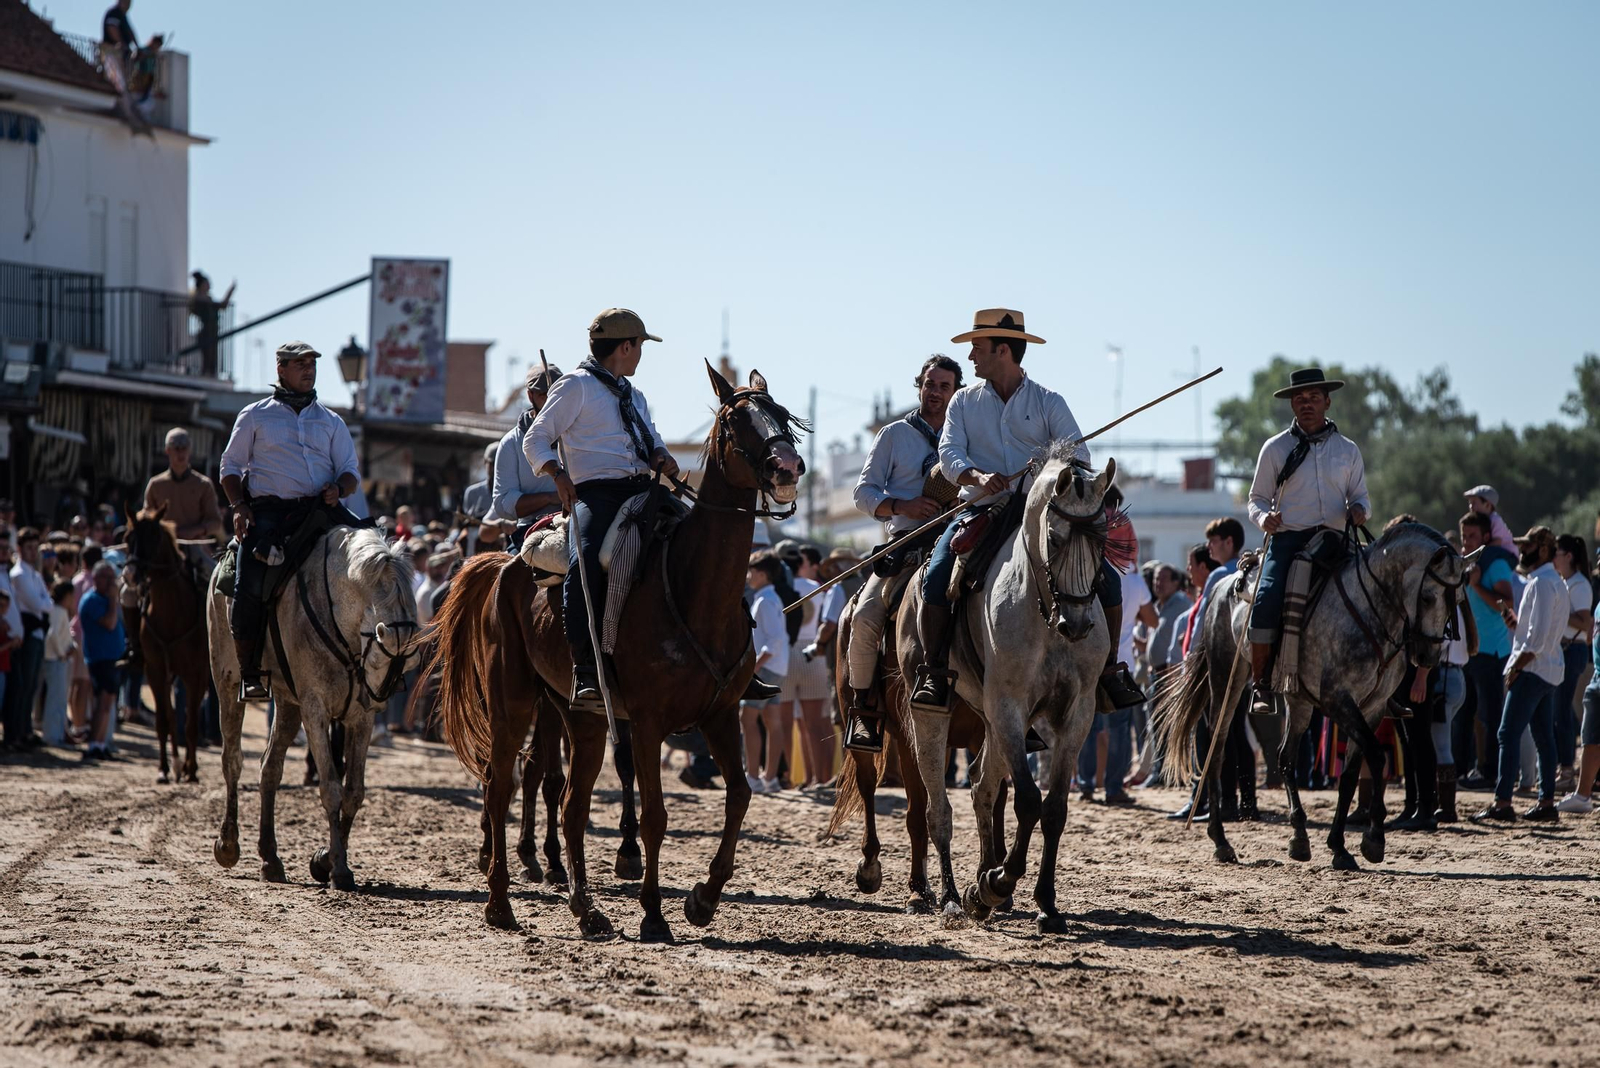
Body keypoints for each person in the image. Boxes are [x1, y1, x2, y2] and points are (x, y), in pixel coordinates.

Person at [913, 308, 1142, 714]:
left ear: (1003, 350)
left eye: (977, 348)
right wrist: (977, 476)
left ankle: (1108, 671)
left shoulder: (1049, 401)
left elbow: (1079, 455)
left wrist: (1049, 472)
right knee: (935, 578)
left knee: (1106, 578)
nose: (971, 358)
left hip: (1041, 517)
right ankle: (934, 672)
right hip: (982, 511)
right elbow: (948, 454)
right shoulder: (963, 403)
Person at [522, 308, 686, 707]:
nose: (641, 354)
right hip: (596, 494)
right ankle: (584, 669)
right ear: (625, 346)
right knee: (588, 558)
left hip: (644, 490)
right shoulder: (575, 386)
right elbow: (536, 439)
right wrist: (557, 474)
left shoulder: (636, 396)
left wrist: (662, 455)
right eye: (640, 346)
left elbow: (652, 440)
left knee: (701, 541)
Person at [219, 341, 362, 700]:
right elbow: (230, 468)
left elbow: (350, 472)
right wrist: (239, 506)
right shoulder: (254, 415)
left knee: (372, 558)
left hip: (320, 511)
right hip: (269, 515)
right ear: (281, 369)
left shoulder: (331, 421)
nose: (308, 370)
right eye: (299, 364)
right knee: (251, 583)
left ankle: (370, 667)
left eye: (312, 364)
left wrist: (338, 489)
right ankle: (250, 669)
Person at [845, 354, 962, 751]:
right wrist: (901, 506)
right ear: (920, 386)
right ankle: (863, 711)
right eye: (930, 385)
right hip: (906, 546)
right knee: (864, 618)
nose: (936, 393)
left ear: (955, 391)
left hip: (961, 540)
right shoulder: (894, 435)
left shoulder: (965, 436)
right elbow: (862, 493)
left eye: (945, 386)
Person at [1245, 368, 1370, 715]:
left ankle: (1386, 684)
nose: (1307, 404)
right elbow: (1255, 498)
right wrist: (1262, 518)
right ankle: (1262, 685)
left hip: (1336, 540)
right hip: (1288, 541)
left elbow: (1362, 497)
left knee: (1380, 592)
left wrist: (1359, 510)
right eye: (1300, 399)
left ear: (1327, 401)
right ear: (1292, 405)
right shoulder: (1275, 448)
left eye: (1314, 397)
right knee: (1266, 598)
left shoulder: (1348, 450)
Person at [1474, 527, 1566, 823]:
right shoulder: (1557, 582)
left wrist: (1516, 666)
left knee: (1507, 733)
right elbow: (1540, 634)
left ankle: (1503, 803)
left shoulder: (1539, 583)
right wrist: (1515, 625)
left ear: (1542, 549)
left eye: (1527, 547)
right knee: (1543, 738)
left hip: (1531, 669)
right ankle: (1547, 802)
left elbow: (1536, 640)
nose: (1521, 552)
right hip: (1549, 669)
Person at [1458, 511, 1517, 788]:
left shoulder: (1495, 567)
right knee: (1465, 713)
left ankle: (1490, 772)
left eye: (1472, 536)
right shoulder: (1465, 564)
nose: (1467, 542)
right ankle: (1466, 770)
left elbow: (1506, 603)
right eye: (1464, 537)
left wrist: (1477, 585)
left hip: (1491, 652)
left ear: (1484, 537)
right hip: (1467, 652)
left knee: (1489, 715)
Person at [488, 364, 563, 551]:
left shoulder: (579, 434)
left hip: (575, 523)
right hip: (530, 530)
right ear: (530, 396)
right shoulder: (511, 443)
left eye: (556, 393)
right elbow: (503, 504)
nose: (550, 401)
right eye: (543, 394)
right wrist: (550, 498)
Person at [741, 551, 793, 794]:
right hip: (776, 667)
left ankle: (753, 776)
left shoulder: (765, 600)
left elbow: (772, 641)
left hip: (767, 668)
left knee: (747, 719)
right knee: (772, 721)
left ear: (762, 574)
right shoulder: (769, 598)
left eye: (752, 571)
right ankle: (769, 778)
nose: (749, 576)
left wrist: (755, 666)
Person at [788, 547, 834, 788]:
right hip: (813, 651)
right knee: (814, 723)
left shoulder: (784, 587)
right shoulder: (817, 588)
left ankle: (816, 777)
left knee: (807, 724)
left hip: (794, 651)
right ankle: (817, 777)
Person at [1552, 535, 1593, 794]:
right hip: (1565, 650)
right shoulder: (1568, 582)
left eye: (1557, 552)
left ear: (1569, 556)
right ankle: (1565, 767)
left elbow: (1585, 623)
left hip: (1572, 650)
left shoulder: (1579, 585)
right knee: (1561, 711)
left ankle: (1566, 769)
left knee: (1561, 711)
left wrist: (1556, 612)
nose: (1553, 556)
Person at [79, 561, 126, 760]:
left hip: (113, 657)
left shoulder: (105, 599)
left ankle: (101, 742)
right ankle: (93, 745)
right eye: (107, 577)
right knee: (102, 701)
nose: (111, 582)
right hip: (100, 658)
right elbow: (109, 622)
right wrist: (113, 599)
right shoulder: (92, 600)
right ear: (97, 578)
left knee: (109, 703)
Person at [41, 580, 76, 746]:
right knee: (56, 699)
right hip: (55, 660)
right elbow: (52, 635)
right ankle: (52, 735)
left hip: (56, 658)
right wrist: (62, 653)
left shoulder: (57, 611)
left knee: (59, 698)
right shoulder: (59, 611)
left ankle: (58, 733)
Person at [188, 273, 235, 378]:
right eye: (206, 283)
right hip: (206, 331)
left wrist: (230, 291)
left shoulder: (206, 298)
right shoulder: (199, 298)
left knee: (212, 355)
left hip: (212, 330)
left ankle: (210, 373)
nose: (209, 286)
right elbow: (219, 306)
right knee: (208, 355)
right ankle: (207, 374)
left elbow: (221, 305)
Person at [1464, 485, 1517, 555]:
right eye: (1470, 503)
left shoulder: (1495, 520)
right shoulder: (1480, 521)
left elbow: (1497, 542)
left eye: (1474, 503)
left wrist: (1479, 552)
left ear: (1487, 505)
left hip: (1508, 554)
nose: (1471, 506)